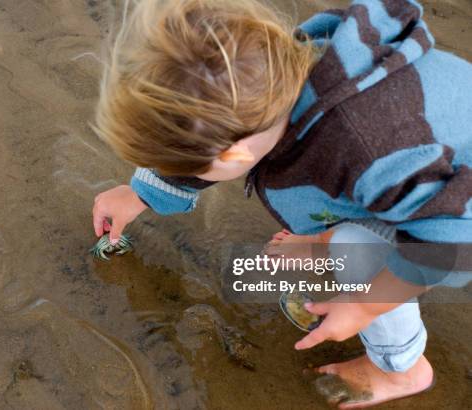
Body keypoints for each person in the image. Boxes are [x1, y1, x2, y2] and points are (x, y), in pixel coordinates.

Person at [91, 0, 472, 407]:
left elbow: (452, 243)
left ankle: (401, 370)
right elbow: (217, 135)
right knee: (353, 218)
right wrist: (141, 192)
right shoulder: (271, 71)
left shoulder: (364, 148)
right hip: (426, 178)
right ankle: (329, 240)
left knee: (359, 252)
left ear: (232, 158)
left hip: (454, 220)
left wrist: (364, 304)